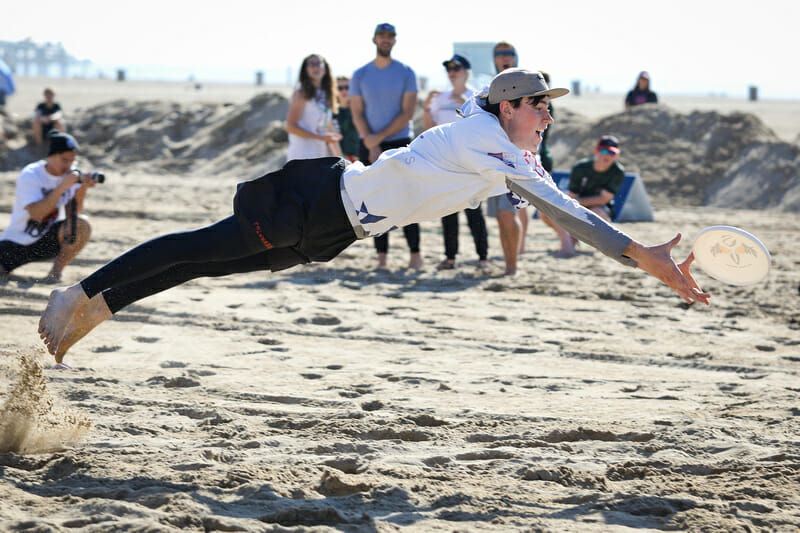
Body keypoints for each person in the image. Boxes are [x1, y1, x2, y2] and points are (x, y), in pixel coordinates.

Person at [38, 68, 710, 367]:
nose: (549, 115)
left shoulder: (509, 150)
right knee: (201, 245)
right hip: (317, 198)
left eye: (549, 106)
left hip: (341, 227)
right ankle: (79, 292)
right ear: (508, 107)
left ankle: (98, 307)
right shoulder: (486, 139)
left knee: (207, 266)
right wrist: (642, 255)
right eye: (539, 104)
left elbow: (558, 203)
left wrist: (642, 254)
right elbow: (567, 210)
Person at [349, 22, 421, 270]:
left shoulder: (406, 72)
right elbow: (357, 112)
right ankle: (381, 259)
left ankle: (415, 255)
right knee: (376, 203)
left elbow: (408, 112)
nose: (386, 39)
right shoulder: (360, 75)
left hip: (399, 142)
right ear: (374, 39)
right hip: (368, 142)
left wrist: (377, 139)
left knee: (407, 199)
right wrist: (370, 141)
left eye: (390, 36)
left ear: (394, 40)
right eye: (382, 35)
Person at [1, 132, 96, 284]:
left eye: (72, 161)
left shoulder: (71, 174)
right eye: (64, 160)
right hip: (16, 242)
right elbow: (36, 214)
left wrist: (82, 188)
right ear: (51, 156)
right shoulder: (31, 174)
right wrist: (61, 187)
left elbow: (74, 214)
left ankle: (54, 275)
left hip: (47, 241)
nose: (69, 166)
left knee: (82, 224)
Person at [423, 54, 488, 271]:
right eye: (449, 70)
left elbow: (485, 127)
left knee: (474, 213)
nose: (452, 74)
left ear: (466, 73)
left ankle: (482, 258)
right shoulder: (440, 98)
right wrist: (426, 107)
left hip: (469, 164)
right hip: (445, 162)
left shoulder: (476, 97)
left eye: (456, 70)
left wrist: (465, 105)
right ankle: (450, 258)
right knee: (448, 212)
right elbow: (428, 127)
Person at [540, 135, 625, 258]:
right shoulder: (581, 167)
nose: (607, 155)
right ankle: (567, 244)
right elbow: (573, 195)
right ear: (596, 151)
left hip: (600, 210)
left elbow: (603, 199)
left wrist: (575, 202)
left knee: (596, 211)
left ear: (617, 155)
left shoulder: (618, 171)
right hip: (578, 206)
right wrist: (573, 203)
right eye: (604, 151)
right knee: (546, 211)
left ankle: (599, 244)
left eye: (612, 152)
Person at [485, 41, 529, 275]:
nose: (504, 57)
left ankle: (512, 267)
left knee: (507, 212)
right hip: (493, 159)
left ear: (516, 57)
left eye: (509, 52)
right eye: (500, 53)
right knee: (501, 218)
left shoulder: (527, 86)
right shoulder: (489, 89)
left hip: (517, 158)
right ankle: (508, 264)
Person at [285, 54, 342, 161]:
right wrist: (320, 137)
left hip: (320, 154)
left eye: (319, 64)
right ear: (305, 69)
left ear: (325, 68)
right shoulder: (301, 93)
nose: (316, 67)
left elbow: (329, 128)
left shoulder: (327, 93)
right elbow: (290, 127)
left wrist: (340, 159)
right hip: (301, 155)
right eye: (311, 64)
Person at [332, 76, 360, 162]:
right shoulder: (331, 113)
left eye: (347, 87)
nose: (344, 91)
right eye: (340, 88)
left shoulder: (360, 110)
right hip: (340, 158)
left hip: (361, 157)